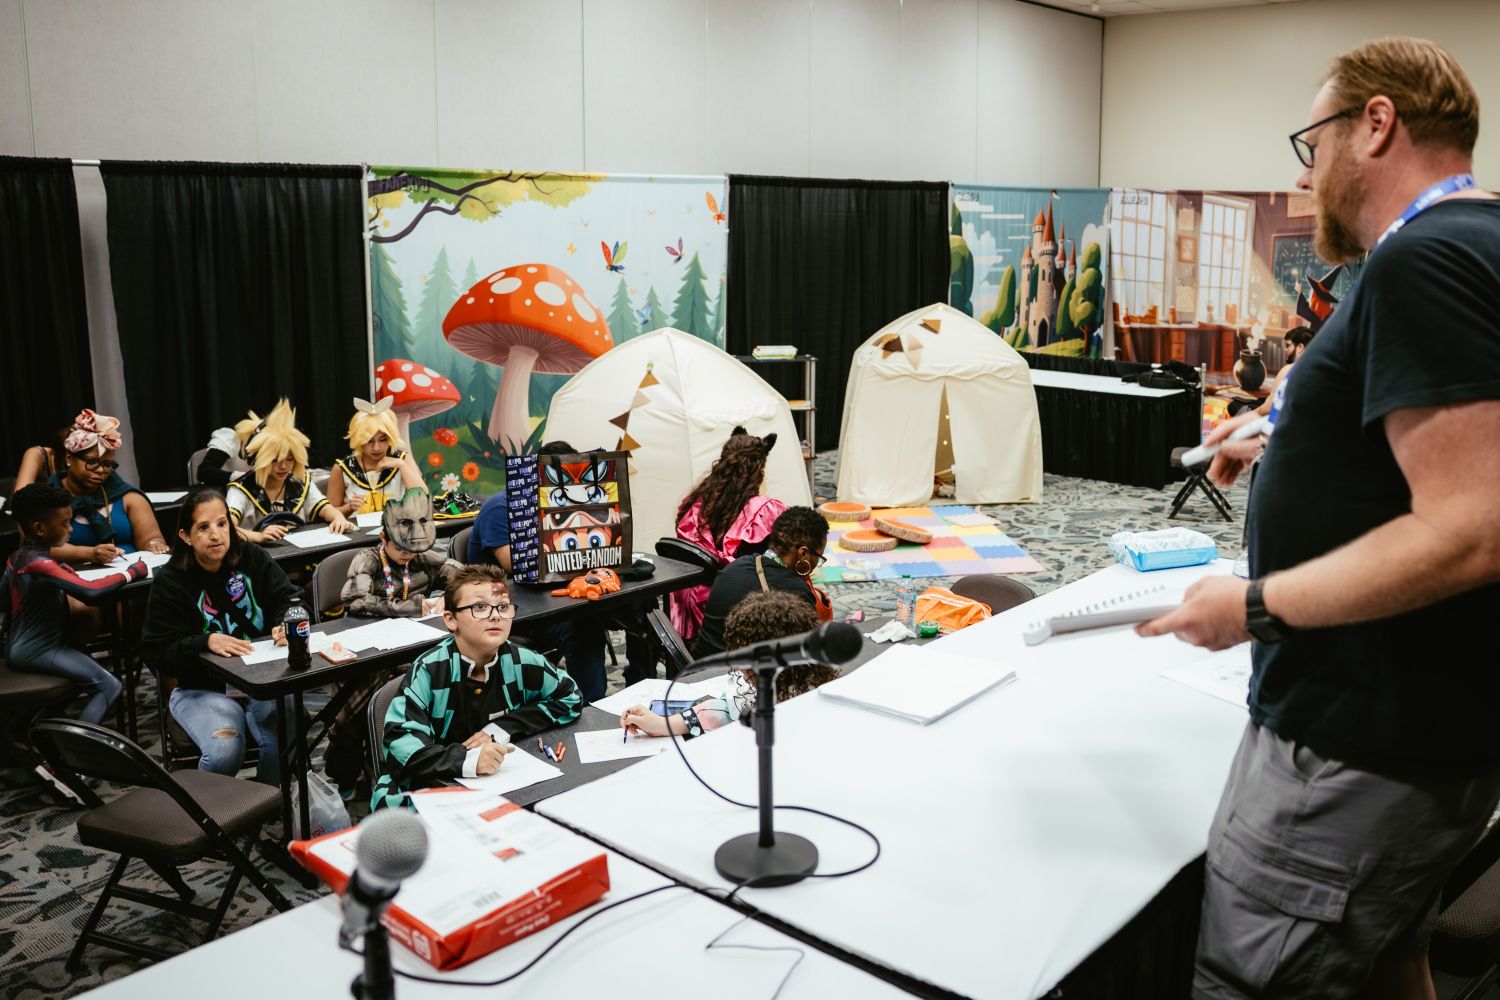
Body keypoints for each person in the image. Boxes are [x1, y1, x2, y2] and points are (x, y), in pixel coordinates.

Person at [1137, 39, 1500, 1000]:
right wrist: (1290, 430)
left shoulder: (1427, 258)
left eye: (1314, 140)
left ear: (1376, 124)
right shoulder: (1474, 242)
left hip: (1355, 753)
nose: (1305, 175)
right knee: (1390, 962)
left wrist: (1250, 606)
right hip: (1428, 737)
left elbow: (1472, 527)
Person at [371, 564, 581, 810]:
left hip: (503, 789)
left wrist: (505, 727)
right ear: (451, 619)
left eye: (503, 606)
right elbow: (402, 751)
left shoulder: (522, 661)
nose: (495, 616)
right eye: (479, 607)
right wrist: (468, 760)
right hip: (423, 794)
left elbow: (571, 697)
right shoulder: (429, 671)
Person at [141, 488, 303, 784]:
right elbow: (157, 652)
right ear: (186, 536)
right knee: (224, 750)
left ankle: (266, 803)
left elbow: (290, 599)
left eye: (222, 524)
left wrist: (285, 623)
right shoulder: (170, 581)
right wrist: (205, 642)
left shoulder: (252, 557)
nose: (216, 535)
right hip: (203, 688)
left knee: (285, 737)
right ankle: (209, 822)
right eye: (203, 527)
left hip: (262, 679)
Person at [469, 440, 642, 701]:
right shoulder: (501, 507)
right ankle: (590, 705)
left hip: (566, 591)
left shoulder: (577, 502)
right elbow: (511, 564)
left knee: (640, 604)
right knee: (582, 626)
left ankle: (643, 680)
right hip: (516, 605)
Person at [322, 489, 464, 797]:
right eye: (399, 546)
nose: (407, 554)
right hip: (366, 654)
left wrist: (454, 597)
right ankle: (345, 776)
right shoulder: (368, 559)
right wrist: (416, 606)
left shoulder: (422, 558)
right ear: (384, 537)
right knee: (354, 717)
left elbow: (462, 576)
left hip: (408, 649)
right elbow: (356, 601)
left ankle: (409, 762)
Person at [1, 484, 144, 723]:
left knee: (78, 683)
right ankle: (74, 754)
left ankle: (42, 734)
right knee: (110, 686)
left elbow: (3, 599)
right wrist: (132, 572)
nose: (70, 529)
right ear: (39, 528)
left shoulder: (17, 557)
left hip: (18, 647)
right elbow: (91, 593)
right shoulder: (40, 563)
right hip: (38, 651)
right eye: (65, 524)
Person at [620, 591, 833, 740]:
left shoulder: (812, 705)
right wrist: (660, 725)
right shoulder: (754, 685)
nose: (738, 669)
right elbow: (725, 708)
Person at [668, 427, 787, 643]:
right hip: (733, 610)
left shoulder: (694, 504)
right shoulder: (764, 511)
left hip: (685, 606)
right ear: (759, 469)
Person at [22, 409, 169, 563]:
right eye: (91, 462)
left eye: (107, 464)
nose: (100, 471)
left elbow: (151, 537)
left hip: (129, 578)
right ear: (69, 458)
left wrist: (154, 545)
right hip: (71, 581)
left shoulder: (129, 497)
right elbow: (40, 548)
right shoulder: (48, 502)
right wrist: (90, 553)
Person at [690, 505, 833, 658]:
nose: (817, 563)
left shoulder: (734, 566)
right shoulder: (797, 592)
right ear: (803, 553)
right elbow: (802, 655)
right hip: (738, 676)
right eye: (818, 557)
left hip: (698, 667)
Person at [225, 399, 352, 544]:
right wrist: (257, 536)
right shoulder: (241, 489)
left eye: (290, 459)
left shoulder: (300, 483)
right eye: (275, 460)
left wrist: (338, 518)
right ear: (260, 460)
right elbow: (227, 527)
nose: (284, 466)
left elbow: (327, 509)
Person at [326, 397, 424, 516]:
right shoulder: (342, 468)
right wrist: (349, 507)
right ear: (359, 440)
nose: (376, 447)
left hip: (397, 530)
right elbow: (328, 513)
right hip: (356, 531)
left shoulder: (402, 459)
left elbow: (423, 499)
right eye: (369, 441)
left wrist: (401, 465)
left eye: (383, 440)